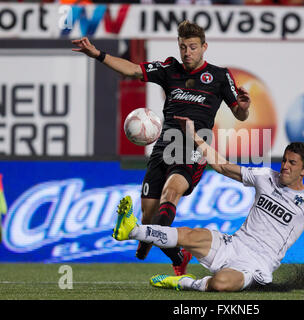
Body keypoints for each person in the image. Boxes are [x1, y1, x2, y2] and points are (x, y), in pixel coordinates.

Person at [72, 20, 251, 276]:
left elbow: (241, 114)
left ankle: (146, 238)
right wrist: (97, 54)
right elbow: (133, 70)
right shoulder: (169, 69)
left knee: (170, 194)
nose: (187, 52)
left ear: (204, 47)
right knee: (148, 216)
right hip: (163, 147)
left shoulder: (220, 76)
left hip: (193, 146)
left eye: (192, 47)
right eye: (183, 47)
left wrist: (244, 107)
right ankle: (176, 253)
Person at [112, 116, 304, 293]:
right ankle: (131, 230)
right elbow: (222, 166)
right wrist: (195, 137)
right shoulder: (265, 176)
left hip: (256, 264)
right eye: (284, 160)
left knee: (221, 284)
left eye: (292, 163)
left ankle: (185, 283)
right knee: (189, 234)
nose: (285, 166)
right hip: (233, 244)